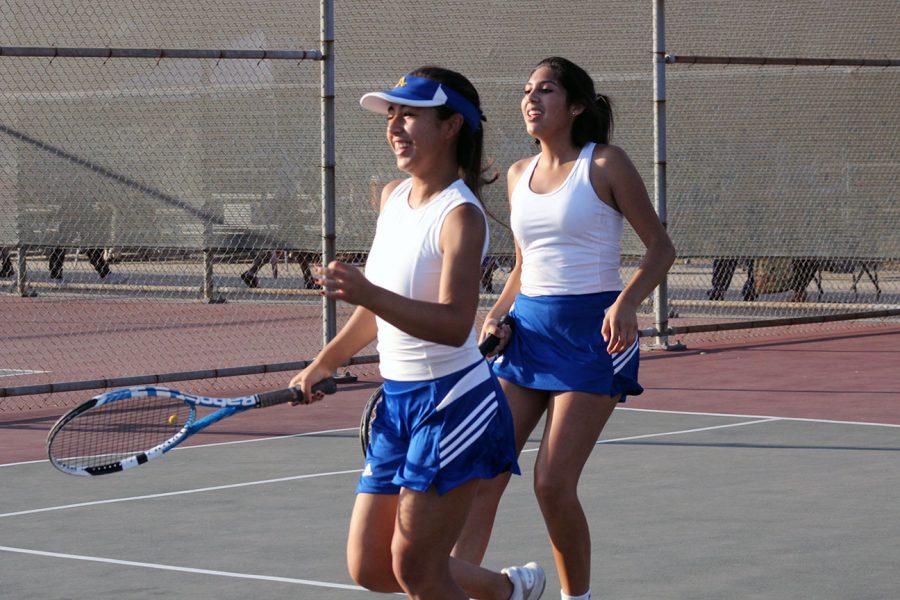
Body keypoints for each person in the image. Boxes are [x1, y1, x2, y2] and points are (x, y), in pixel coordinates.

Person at [289, 67, 545, 600]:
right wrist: (326, 360)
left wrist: (367, 294)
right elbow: (378, 310)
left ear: (451, 125)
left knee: (417, 569)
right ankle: (503, 591)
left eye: (410, 114)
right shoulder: (391, 198)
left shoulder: (461, 216)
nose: (395, 125)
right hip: (398, 402)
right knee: (370, 568)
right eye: (392, 114)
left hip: (454, 402)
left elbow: (454, 326)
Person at [451, 57, 676, 600]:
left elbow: (661, 250)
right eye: (526, 90)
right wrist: (499, 311)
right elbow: (525, 263)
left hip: (592, 337)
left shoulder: (605, 165)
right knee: (485, 474)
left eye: (545, 90)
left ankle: (578, 597)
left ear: (575, 106)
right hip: (527, 333)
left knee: (552, 484)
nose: (531, 99)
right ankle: (450, 588)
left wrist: (626, 304)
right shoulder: (515, 175)